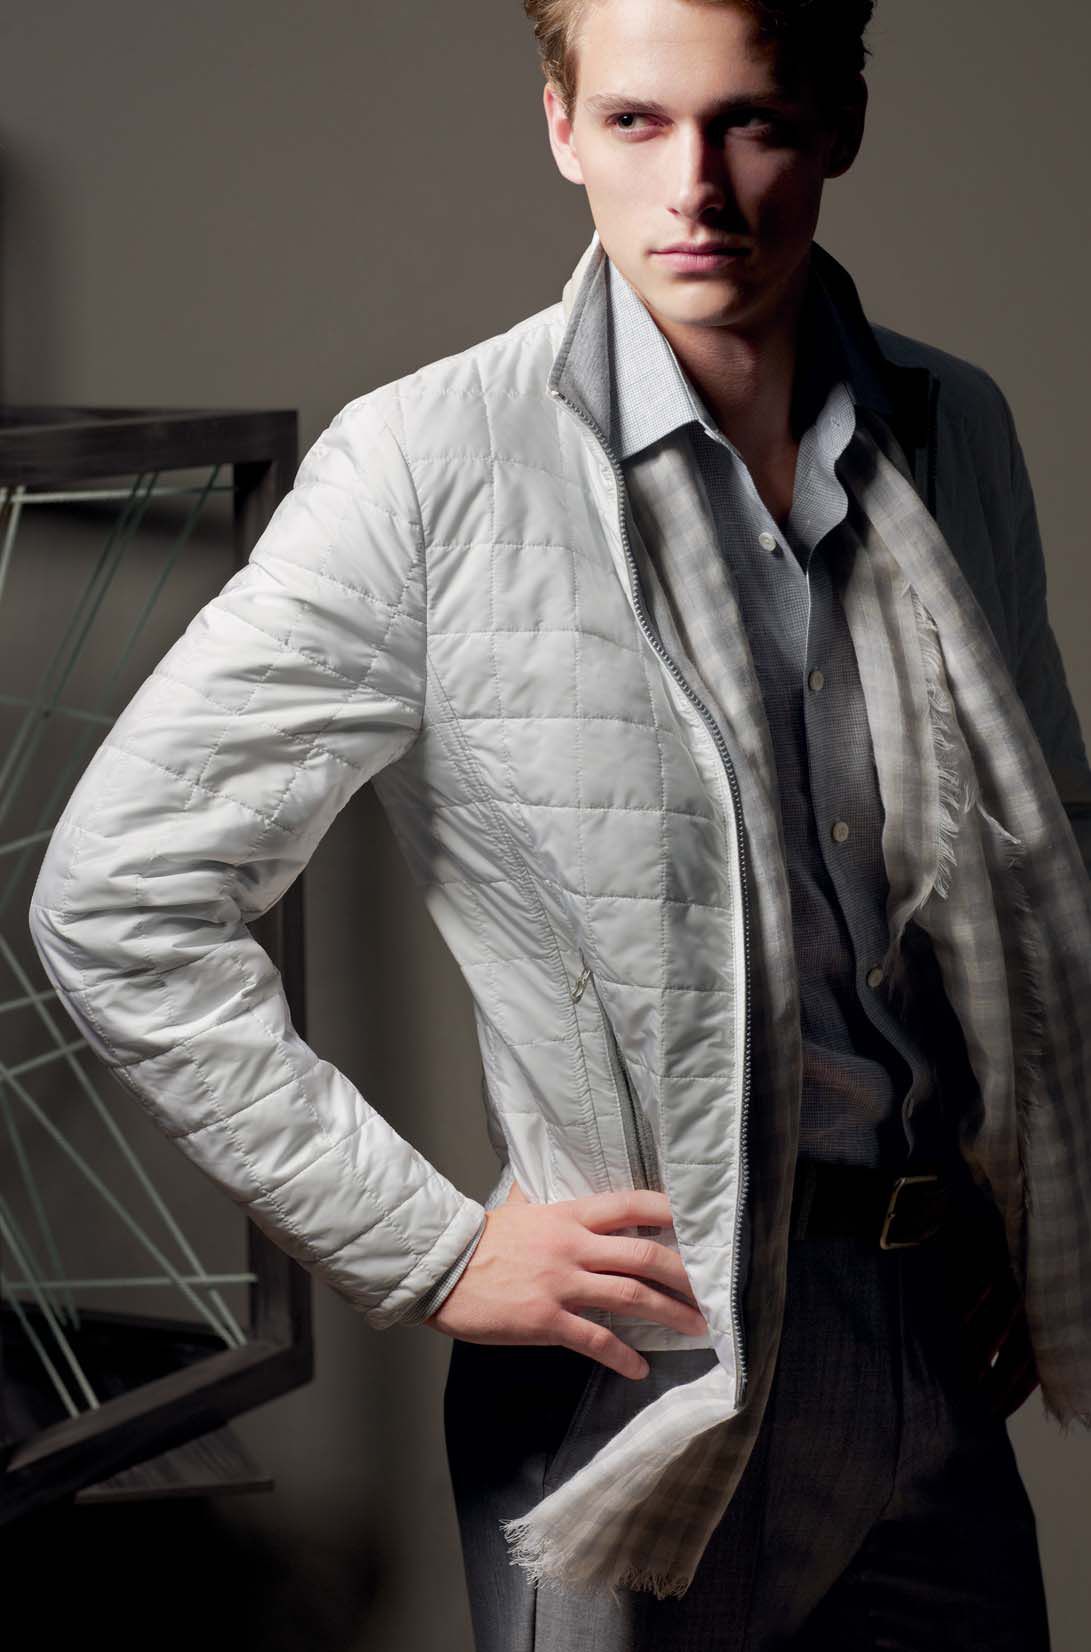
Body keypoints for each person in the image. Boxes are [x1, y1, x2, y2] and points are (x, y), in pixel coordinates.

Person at [27, 1, 1091, 1648]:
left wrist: (1026, 1201)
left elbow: (1045, 860)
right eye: (639, 122)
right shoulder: (430, 464)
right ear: (560, 127)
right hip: (640, 1372)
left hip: (933, 1333)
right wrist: (436, 1254)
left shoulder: (954, 429)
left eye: (752, 122)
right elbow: (116, 897)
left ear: (839, 126)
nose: (698, 187)